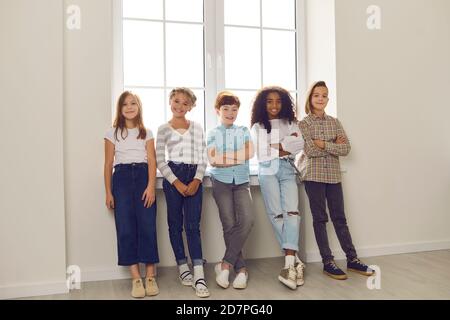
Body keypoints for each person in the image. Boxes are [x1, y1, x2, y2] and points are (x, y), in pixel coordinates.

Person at [298, 81, 375, 280]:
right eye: (316, 95)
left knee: (340, 218)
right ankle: (328, 261)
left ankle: (352, 259)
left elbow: (346, 148)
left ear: (328, 99)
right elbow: (309, 150)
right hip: (313, 176)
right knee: (320, 219)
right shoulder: (303, 124)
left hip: (333, 176)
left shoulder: (335, 122)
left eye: (324, 95)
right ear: (310, 98)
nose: (320, 99)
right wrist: (332, 144)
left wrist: (323, 143)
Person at [104, 91, 159, 298]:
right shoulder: (112, 133)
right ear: (120, 108)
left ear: (139, 107)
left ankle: (151, 275)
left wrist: (151, 186)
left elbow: (152, 161)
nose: (129, 107)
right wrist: (109, 191)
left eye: (133, 103)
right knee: (126, 227)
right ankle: (136, 277)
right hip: (122, 179)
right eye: (125, 104)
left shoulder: (147, 132)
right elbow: (108, 163)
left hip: (144, 176)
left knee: (147, 225)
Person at [155, 87, 209, 298]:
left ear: (191, 107)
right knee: (175, 224)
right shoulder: (163, 129)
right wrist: (176, 182)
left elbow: (202, 155)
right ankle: (182, 266)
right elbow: (160, 159)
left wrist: (197, 179)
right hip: (173, 175)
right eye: (176, 101)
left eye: (185, 103)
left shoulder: (196, 127)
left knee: (193, 225)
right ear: (170, 102)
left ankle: (199, 272)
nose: (180, 106)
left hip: (194, 174)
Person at [250, 86, 306, 290]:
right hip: (267, 170)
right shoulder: (257, 127)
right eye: (269, 101)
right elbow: (263, 154)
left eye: (278, 101)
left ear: (284, 103)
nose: (274, 105)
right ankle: (296, 261)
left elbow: (300, 144)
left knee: (292, 212)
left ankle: (289, 264)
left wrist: (277, 146)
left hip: (287, 169)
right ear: (262, 104)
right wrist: (284, 144)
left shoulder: (292, 122)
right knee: (276, 214)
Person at [207, 91, 255, 290]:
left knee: (247, 221)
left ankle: (225, 264)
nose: (230, 112)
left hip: (242, 181)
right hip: (220, 182)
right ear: (218, 110)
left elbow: (250, 153)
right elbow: (213, 160)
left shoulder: (243, 130)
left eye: (234, 109)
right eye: (226, 109)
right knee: (229, 223)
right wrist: (238, 156)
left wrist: (226, 157)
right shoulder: (212, 133)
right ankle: (241, 270)